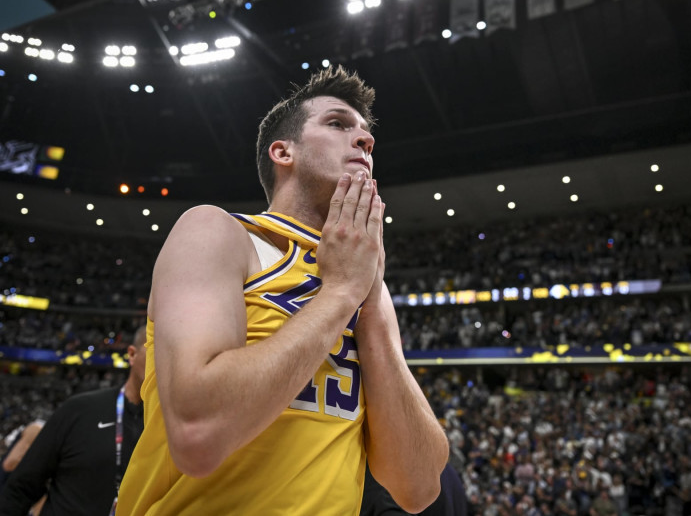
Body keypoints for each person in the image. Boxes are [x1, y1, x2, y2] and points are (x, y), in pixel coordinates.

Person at [117, 66, 449, 515]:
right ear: (282, 151)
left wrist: (365, 304)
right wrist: (339, 295)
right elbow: (198, 435)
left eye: (367, 134)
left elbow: (419, 487)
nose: (364, 140)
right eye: (337, 123)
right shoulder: (219, 233)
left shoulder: (365, 289)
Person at [0, 326, 147, 516]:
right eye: (157, 351)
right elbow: (20, 489)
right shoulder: (80, 409)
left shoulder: (176, 429)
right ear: (132, 354)